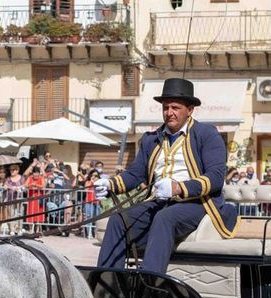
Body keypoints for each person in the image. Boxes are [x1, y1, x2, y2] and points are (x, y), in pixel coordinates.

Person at [95, 78, 236, 273]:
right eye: (165, 107)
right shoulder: (151, 139)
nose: (169, 113)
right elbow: (136, 174)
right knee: (119, 219)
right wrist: (111, 184)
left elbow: (215, 177)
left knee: (165, 218)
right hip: (158, 201)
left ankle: (151, 285)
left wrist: (178, 188)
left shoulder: (207, 134)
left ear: (190, 109)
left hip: (197, 203)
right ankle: (106, 287)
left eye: (175, 108)